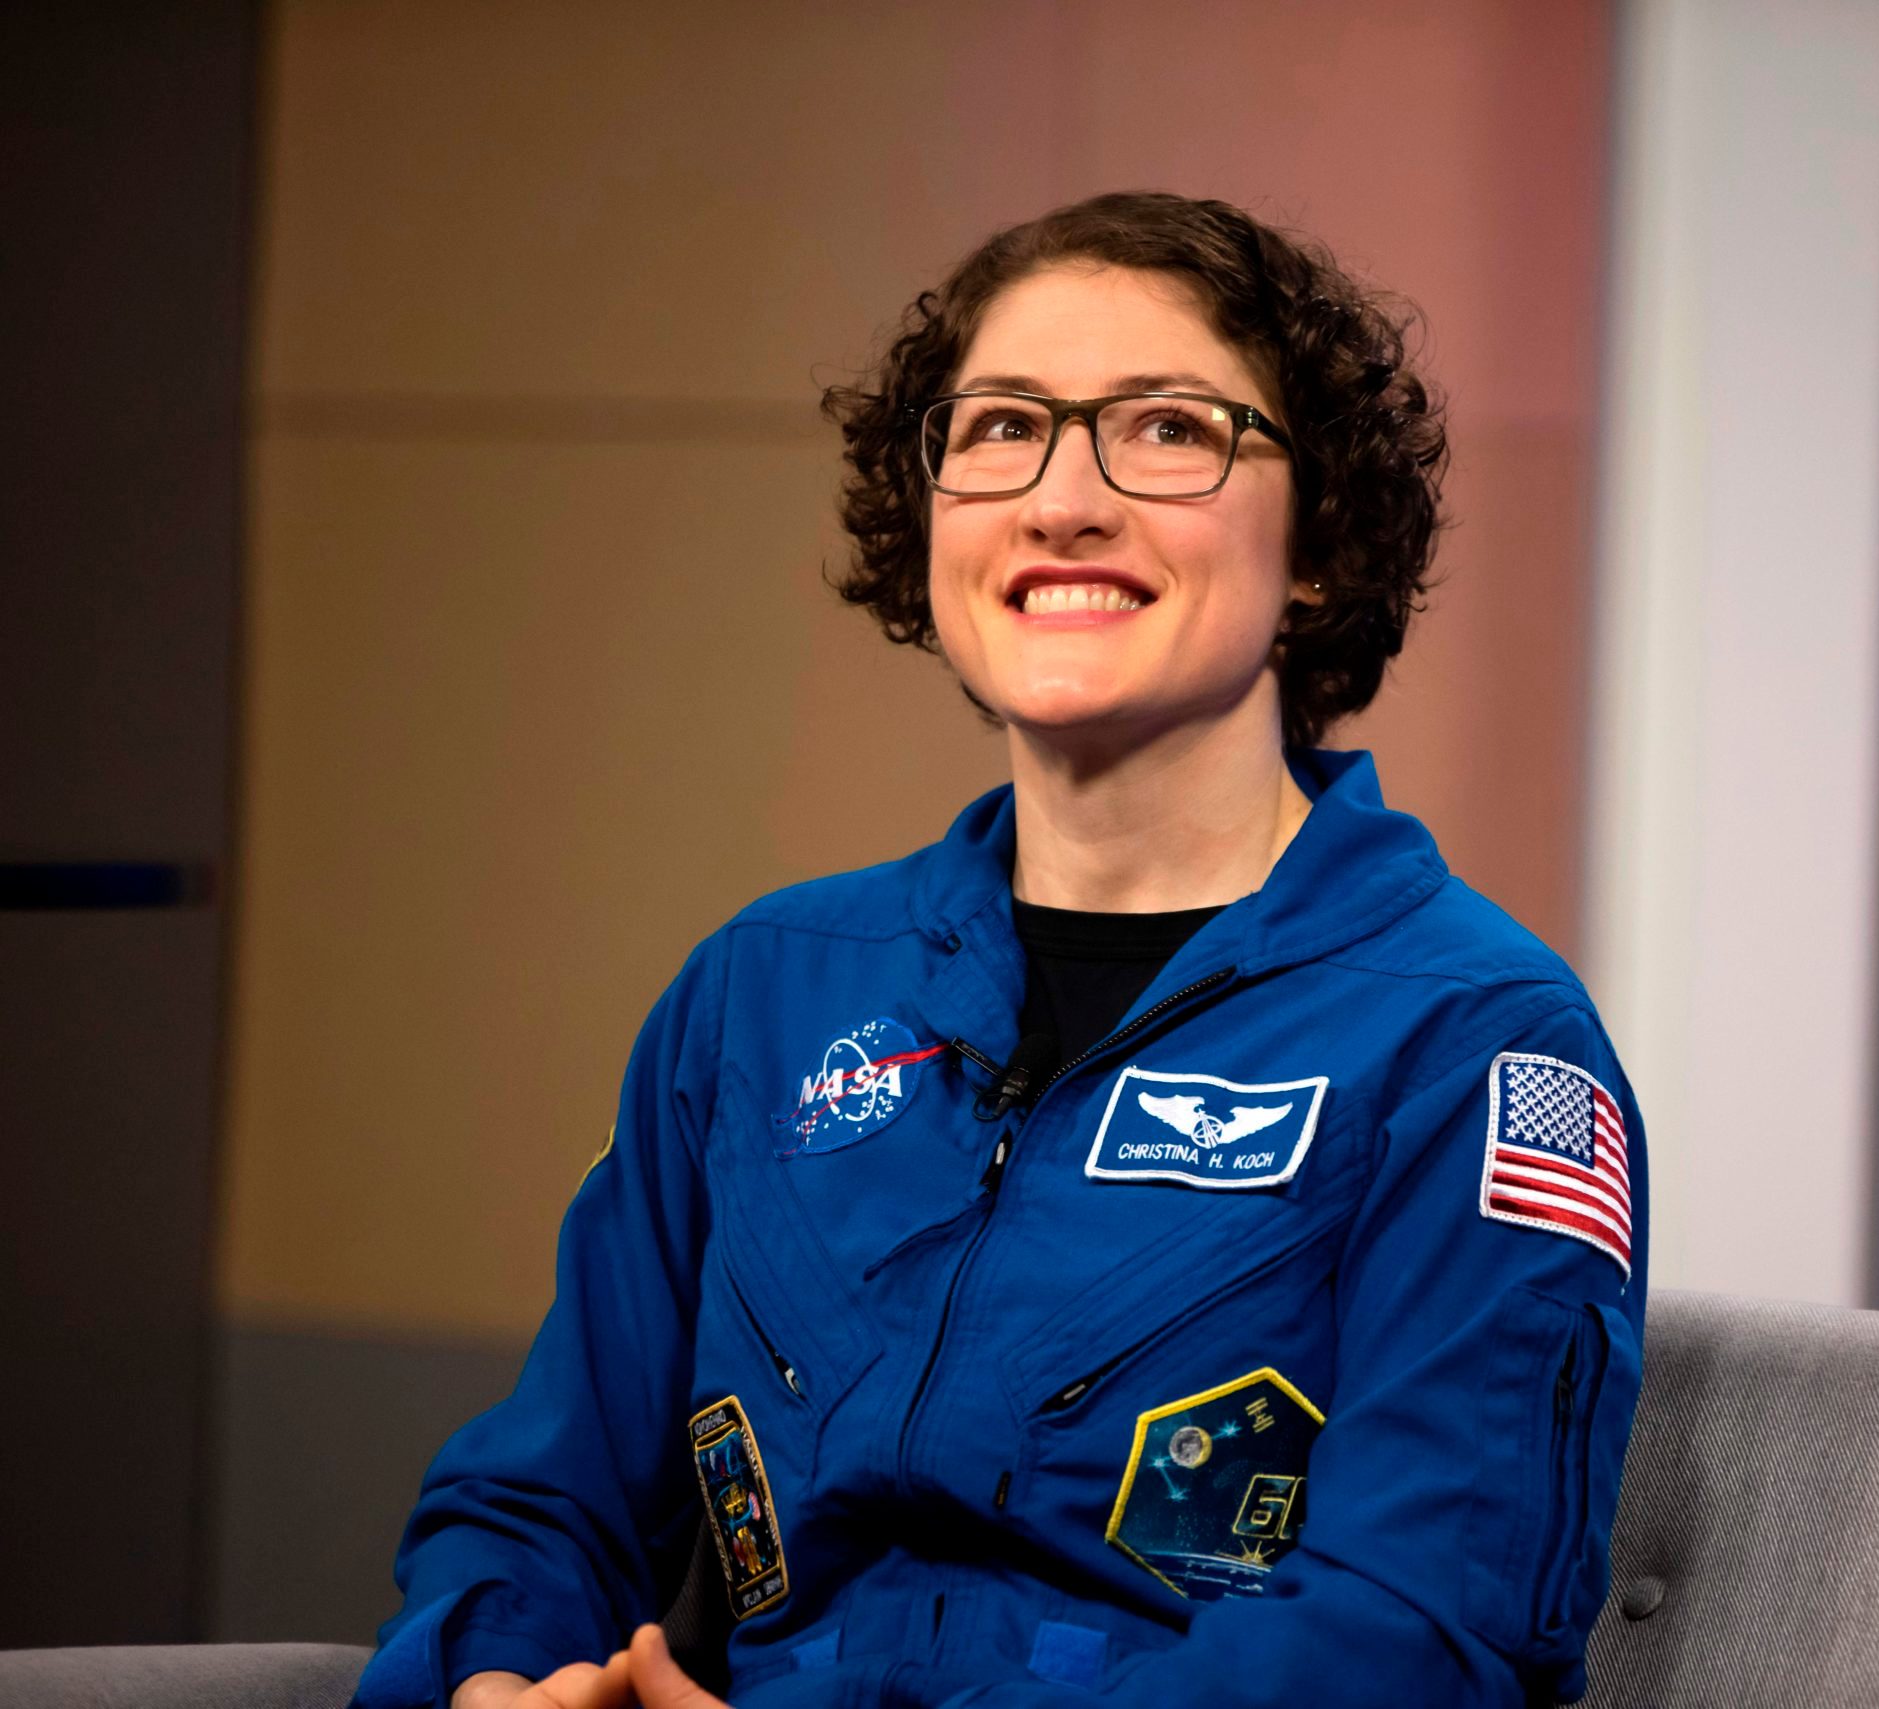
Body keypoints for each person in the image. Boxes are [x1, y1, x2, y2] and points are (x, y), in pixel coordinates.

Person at [351, 191, 1647, 1709]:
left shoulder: (1476, 1038)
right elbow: (537, 1500)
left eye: (1168, 430)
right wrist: (497, 1680)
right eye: (1001, 428)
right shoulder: (763, 994)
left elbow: (1413, 1640)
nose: (1061, 501)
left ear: (1321, 541)